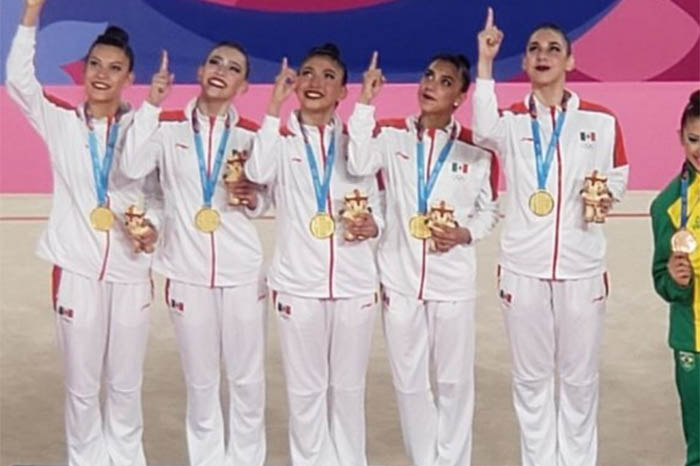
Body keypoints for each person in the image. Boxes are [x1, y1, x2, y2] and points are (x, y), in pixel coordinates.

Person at [6, 0, 170, 464]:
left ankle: (127, 458)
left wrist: (153, 227)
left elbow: (160, 197)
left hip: (131, 272)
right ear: (83, 70)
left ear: (128, 79)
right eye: (95, 64)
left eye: (114, 68)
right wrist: (30, 14)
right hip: (76, 271)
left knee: (125, 383)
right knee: (82, 387)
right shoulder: (61, 121)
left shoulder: (145, 127)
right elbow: (19, 81)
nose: (102, 74)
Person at [472, 8, 629, 466]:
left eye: (553, 49)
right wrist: (485, 63)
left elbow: (618, 174)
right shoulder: (510, 122)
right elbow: (481, 128)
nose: (543, 55)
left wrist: (606, 196)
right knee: (531, 379)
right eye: (534, 49)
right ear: (524, 63)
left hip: (582, 268)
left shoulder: (601, 121)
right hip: (523, 270)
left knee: (580, 380)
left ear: (570, 61)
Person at [347, 50, 499, 466]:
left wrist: (465, 233)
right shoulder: (390, 135)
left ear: (460, 97)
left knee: (454, 383)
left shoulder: (477, 151)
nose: (431, 85)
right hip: (399, 279)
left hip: (452, 282)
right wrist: (365, 101)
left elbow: (489, 211)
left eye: (445, 82)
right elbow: (359, 161)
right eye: (429, 76)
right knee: (410, 383)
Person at [119, 41, 268, 466]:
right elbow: (134, 171)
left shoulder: (253, 135)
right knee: (201, 383)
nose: (222, 71)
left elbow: (267, 196)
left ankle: (247, 461)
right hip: (186, 272)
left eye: (234, 68)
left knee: (246, 381)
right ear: (200, 72)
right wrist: (151, 103)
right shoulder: (166, 127)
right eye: (215, 63)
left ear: (243, 86)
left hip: (242, 273)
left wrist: (254, 199)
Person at [245, 44, 382, 466]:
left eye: (328, 76)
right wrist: (273, 107)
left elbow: (375, 194)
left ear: (343, 91)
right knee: (305, 393)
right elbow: (256, 173)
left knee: (348, 391)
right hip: (297, 287)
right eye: (307, 73)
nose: (315, 82)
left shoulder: (358, 142)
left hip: (354, 285)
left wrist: (375, 224)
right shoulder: (279, 141)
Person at [650, 89, 700, 466]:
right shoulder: (667, 204)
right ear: (680, 138)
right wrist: (674, 280)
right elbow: (660, 276)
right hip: (692, 336)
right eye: (694, 139)